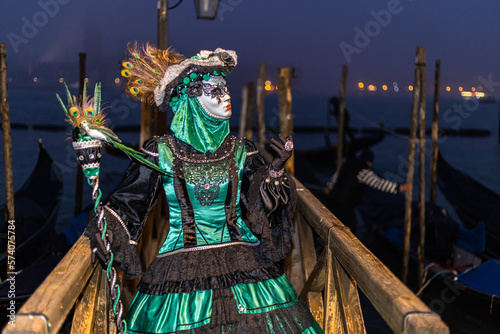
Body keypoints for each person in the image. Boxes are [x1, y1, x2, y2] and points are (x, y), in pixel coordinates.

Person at [85, 44, 323, 334]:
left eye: (225, 88)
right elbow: (129, 203)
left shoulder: (242, 150)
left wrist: (274, 173)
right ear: (191, 100)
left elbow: (260, 209)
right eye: (215, 91)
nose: (226, 97)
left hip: (245, 265)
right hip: (180, 268)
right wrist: (106, 225)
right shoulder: (161, 152)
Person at [324, 149, 411, 236]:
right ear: (369, 162)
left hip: (333, 199)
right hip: (345, 204)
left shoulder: (347, 165)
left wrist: (329, 187)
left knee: (335, 225)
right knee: (350, 230)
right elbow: (379, 184)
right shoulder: (364, 172)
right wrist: (399, 188)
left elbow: (335, 177)